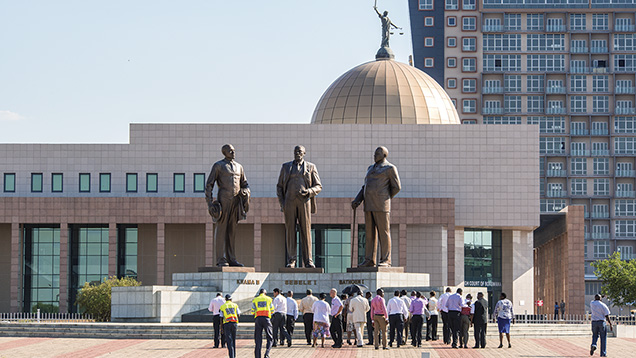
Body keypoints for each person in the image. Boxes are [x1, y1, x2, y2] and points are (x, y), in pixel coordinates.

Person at [351, 146, 401, 267]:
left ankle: (386, 259)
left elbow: (397, 187)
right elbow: (365, 187)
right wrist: (358, 199)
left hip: (381, 205)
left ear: (384, 155)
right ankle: (369, 259)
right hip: (368, 205)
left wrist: (385, 197)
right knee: (369, 233)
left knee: (384, 232)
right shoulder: (370, 168)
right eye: (374, 153)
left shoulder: (390, 168)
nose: (374, 155)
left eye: (377, 153)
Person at [276, 145, 322, 268]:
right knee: (290, 231)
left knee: (305, 231)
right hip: (289, 202)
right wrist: (283, 203)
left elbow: (318, 186)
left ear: (304, 153)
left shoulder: (311, 167)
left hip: (304, 202)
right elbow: (279, 186)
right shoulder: (286, 167)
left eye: (300, 151)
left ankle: (308, 260)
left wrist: (309, 191)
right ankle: (291, 260)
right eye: (296, 151)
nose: (298, 153)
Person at [205, 144, 250, 267]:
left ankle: (232, 259)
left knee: (232, 231)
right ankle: (221, 259)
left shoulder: (239, 167)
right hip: (223, 200)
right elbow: (209, 185)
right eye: (230, 150)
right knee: (221, 230)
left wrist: (245, 192)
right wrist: (210, 203)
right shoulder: (218, 166)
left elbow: (245, 184)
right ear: (224, 152)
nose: (233, 152)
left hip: (236, 202)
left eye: (234, 150)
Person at [252, 288, 275, 358]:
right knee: (270, 337)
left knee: (258, 338)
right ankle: (267, 354)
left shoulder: (255, 300)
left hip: (258, 319)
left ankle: (257, 356)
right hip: (266, 319)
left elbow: (253, 311)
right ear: (265, 293)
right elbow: (272, 310)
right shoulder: (269, 299)